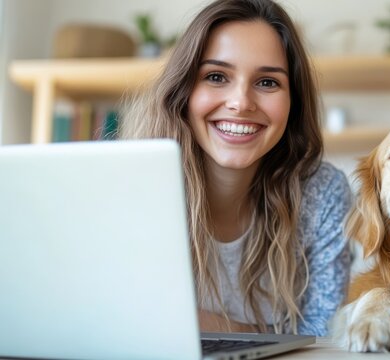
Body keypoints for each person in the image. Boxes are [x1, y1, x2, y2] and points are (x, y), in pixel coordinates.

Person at [119, 0, 351, 336]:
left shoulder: (322, 193)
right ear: (183, 90)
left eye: (268, 82)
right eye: (216, 76)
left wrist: (197, 323)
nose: (241, 102)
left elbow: (322, 335)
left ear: (293, 102)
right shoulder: (131, 186)